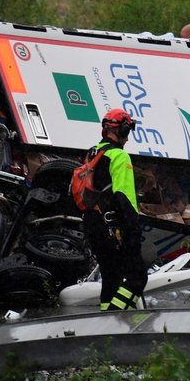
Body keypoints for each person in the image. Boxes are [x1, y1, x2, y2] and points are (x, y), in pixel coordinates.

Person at [83, 108, 149, 311]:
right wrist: (133, 228)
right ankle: (114, 317)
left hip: (92, 223)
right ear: (121, 130)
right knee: (138, 276)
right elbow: (123, 196)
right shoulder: (119, 157)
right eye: (127, 132)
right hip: (112, 225)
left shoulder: (93, 153)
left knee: (111, 277)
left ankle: (105, 323)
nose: (128, 139)